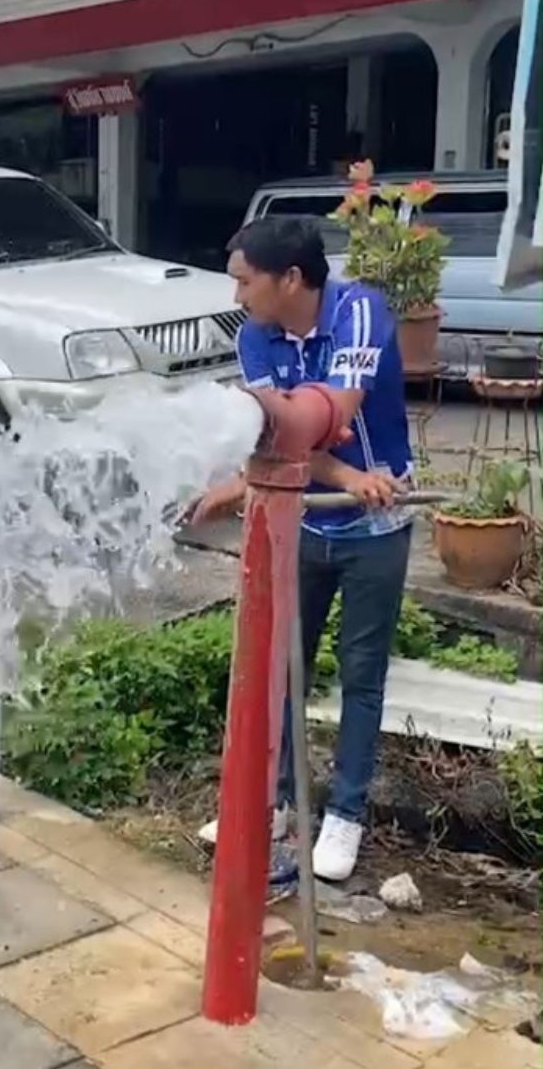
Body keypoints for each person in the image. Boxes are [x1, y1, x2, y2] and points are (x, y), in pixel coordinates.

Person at [188, 216, 412, 882]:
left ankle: (344, 816)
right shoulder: (257, 336)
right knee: (284, 665)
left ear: (291, 278)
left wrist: (340, 476)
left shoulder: (359, 313)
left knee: (361, 674)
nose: (236, 297)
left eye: (244, 281)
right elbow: (279, 437)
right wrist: (248, 481)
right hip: (305, 518)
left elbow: (331, 412)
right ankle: (275, 803)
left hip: (376, 526)